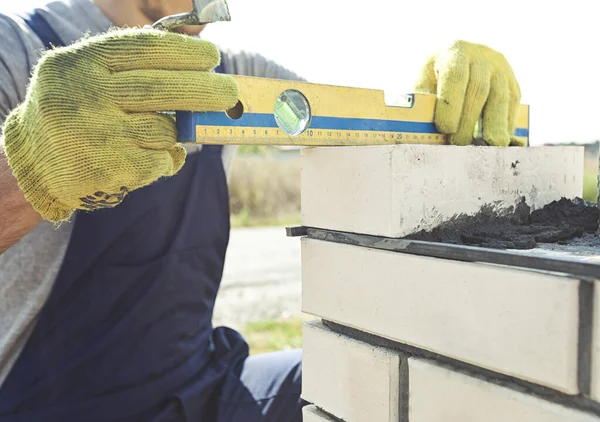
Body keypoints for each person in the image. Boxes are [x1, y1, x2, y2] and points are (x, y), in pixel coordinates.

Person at [0, 0, 523, 421]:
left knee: (411, 386)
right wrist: (32, 162)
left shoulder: (231, 77)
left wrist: (438, 96)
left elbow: (364, 125)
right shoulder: (16, 45)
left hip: (202, 389)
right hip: (47, 403)